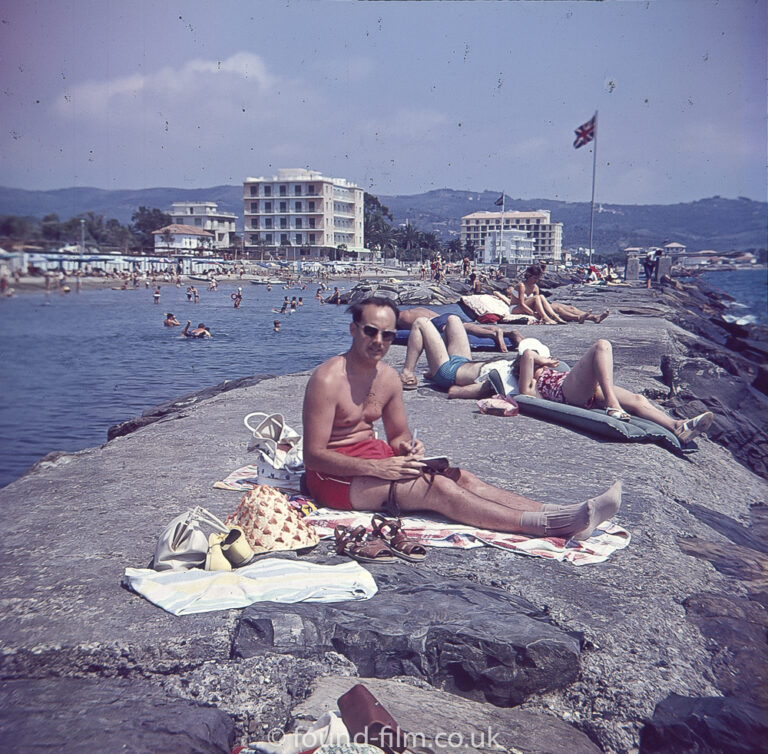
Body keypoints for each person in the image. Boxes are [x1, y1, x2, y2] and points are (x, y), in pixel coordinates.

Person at [302, 296, 622, 540]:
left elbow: (397, 435)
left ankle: (556, 511)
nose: (379, 342)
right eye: (370, 332)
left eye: (387, 335)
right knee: (437, 489)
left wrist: (409, 449)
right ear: (353, 330)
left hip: (373, 459)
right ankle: (552, 526)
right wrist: (378, 467)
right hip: (332, 479)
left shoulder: (386, 378)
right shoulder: (328, 380)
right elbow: (314, 458)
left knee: (460, 477)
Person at [516, 338, 714, 444]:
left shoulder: (554, 372)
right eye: (538, 361)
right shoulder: (532, 385)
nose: (543, 363)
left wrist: (542, 361)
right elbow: (526, 354)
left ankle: (677, 425)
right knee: (601, 345)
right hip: (568, 394)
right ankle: (612, 403)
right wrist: (538, 360)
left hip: (588, 391)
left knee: (638, 399)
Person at [398, 315, 523, 393]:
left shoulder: (507, 384)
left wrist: (459, 391)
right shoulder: (515, 374)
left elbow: (458, 391)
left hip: (448, 373)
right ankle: (434, 369)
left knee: (421, 322)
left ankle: (407, 373)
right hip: (463, 362)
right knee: (454, 319)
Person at [499, 265, 609, 325]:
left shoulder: (535, 287)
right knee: (558, 309)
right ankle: (577, 318)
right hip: (519, 308)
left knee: (569, 307)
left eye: (538, 278)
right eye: (535, 278)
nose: (536, 281)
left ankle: (594, 317)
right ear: (529, 276)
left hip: (532, 306)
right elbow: (522, 304)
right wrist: (534, 314)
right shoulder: (521, 285)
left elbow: (538, 301)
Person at [397, 306, 512, 353]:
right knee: (469, 327)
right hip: (444, 315)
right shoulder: (416, 309)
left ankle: (492, 334)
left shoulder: (400, 318)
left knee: (464, 328)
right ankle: (506, 333)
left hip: (437, 322)